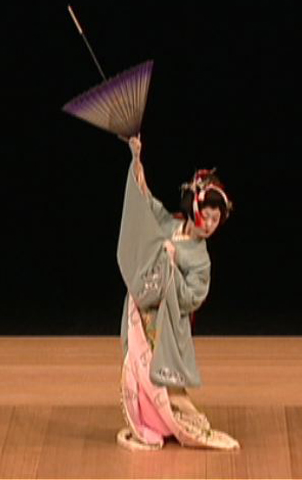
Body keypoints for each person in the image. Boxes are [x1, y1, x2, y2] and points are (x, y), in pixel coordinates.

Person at [116, 134, 240, 451]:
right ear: (194, 208)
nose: (210, 224)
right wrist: (136, 158)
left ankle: (184, 420)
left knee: (170, 386)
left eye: (216, 220)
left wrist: (169, 267)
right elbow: (146, 202)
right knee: (142, 373)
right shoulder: (170, 225)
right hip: (146, 312)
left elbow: (192, 297)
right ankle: (152, 422)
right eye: (207, 216)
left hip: (169, 324)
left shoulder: (200, 260)